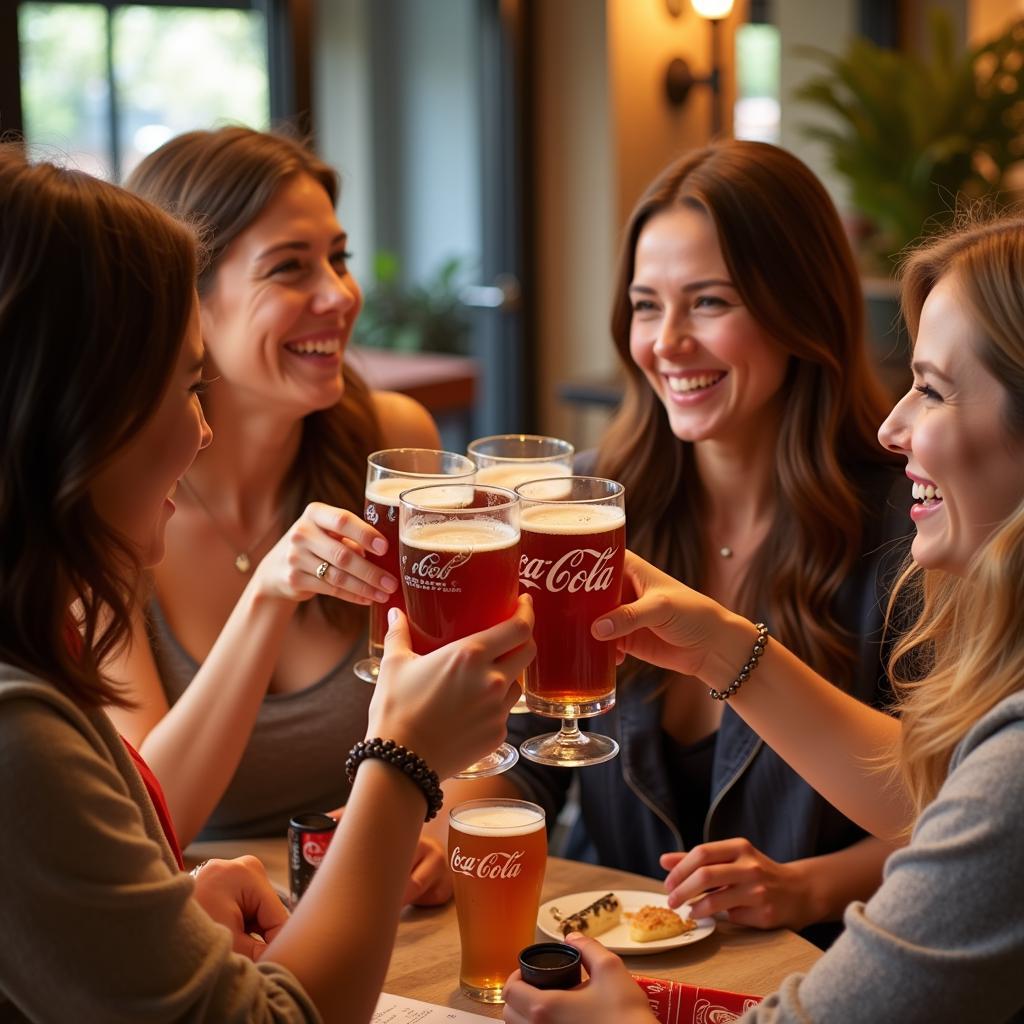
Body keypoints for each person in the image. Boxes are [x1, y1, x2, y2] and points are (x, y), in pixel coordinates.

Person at [0, 146, 533, 1022]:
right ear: (80, 405)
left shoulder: (40, 629)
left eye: (340, 256)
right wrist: (396, 771)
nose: (201, 428)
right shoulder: (25, 718)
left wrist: (161, 916)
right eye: (183, 381)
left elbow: (117, 846)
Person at [503, 213, 1024, 1023]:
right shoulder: (596, 499)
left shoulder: (902, 539)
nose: (896, 427)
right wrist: (721, 647)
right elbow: (944, 792)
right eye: (646, 305)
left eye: (931, 387)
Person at [450, 140, 910, 945]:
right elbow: (517, 757)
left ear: (800, 307)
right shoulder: (579, 507)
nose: (666, 342)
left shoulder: (906, 527)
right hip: (604, 963)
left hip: (823, 969)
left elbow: (968, 809)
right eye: (646, 304)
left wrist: (807, 887)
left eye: (709, 302)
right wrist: (441, 833)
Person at [106, 128, 447, 893]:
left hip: (388, 912)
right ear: (185, 300)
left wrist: (443, 828)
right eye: (290, 267)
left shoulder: (392, 445)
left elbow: (473, 699)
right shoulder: (113, 505)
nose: (340, 294)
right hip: (212, 927)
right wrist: (267, 595)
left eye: (339, 257)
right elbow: (147, 828)